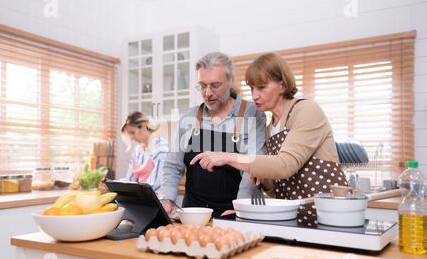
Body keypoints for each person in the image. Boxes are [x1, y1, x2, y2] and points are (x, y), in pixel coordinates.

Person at [190, 53, 349, 225]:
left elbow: (284, 166)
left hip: (330, 217)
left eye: (261, 87)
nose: (254, 95)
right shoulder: (269, 129)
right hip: (295, 219)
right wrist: (264, 180)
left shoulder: (305, 110)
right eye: (252, 88)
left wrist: (227, 157)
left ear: (281, 85)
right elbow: (279, 189)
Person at [159, 52, 267, 217]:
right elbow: (172, 166)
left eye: (215, 85)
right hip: (193, 215)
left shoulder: (252, 113)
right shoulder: (189, 117)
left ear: (230, 81)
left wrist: (240, 209)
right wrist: (167, 199)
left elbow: (253, 168)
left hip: (234, 213)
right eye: (202, 86)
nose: (207, 93)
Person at [120, 111, 169, 193]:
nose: (131, 138)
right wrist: (113, 185)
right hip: (142, 197)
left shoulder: (161, 149)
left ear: (144, 126)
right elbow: (130, 180)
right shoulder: (137, 151)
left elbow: (154, 185)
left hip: (158, 200)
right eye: (129, 134)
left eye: (132, 133)